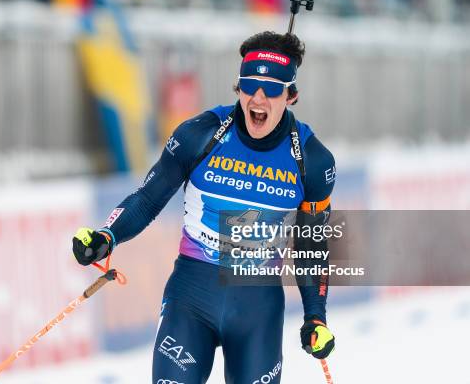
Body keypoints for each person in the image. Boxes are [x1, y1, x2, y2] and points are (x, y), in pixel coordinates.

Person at [72, 31, 336, 383]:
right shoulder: (200, 134)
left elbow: (311, 245)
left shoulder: (313, 162)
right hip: (191, 299)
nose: (258, 99)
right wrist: (107, 235)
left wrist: (315, 317)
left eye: (272, 89)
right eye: (248, 86)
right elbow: (149, 198)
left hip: (257, 311)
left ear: (291, 95)